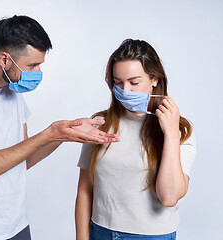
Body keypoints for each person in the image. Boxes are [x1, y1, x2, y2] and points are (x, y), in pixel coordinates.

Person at [0, 15, 118, 240]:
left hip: (16, 226)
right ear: (4, 59)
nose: (37, 72)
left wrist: (64, 134)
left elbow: (23, 160)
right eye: (32, 65)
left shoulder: (12, 92)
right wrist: (49, 133)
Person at [75, 39, 196, 240]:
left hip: (150, 236)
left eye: (134, 82)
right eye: (118, 83)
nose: (126, 91)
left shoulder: (182, 130)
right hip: (100, 232)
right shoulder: (100, 123)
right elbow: (85, 190)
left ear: (155, 79)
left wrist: (171, 135)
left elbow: (169, 197)